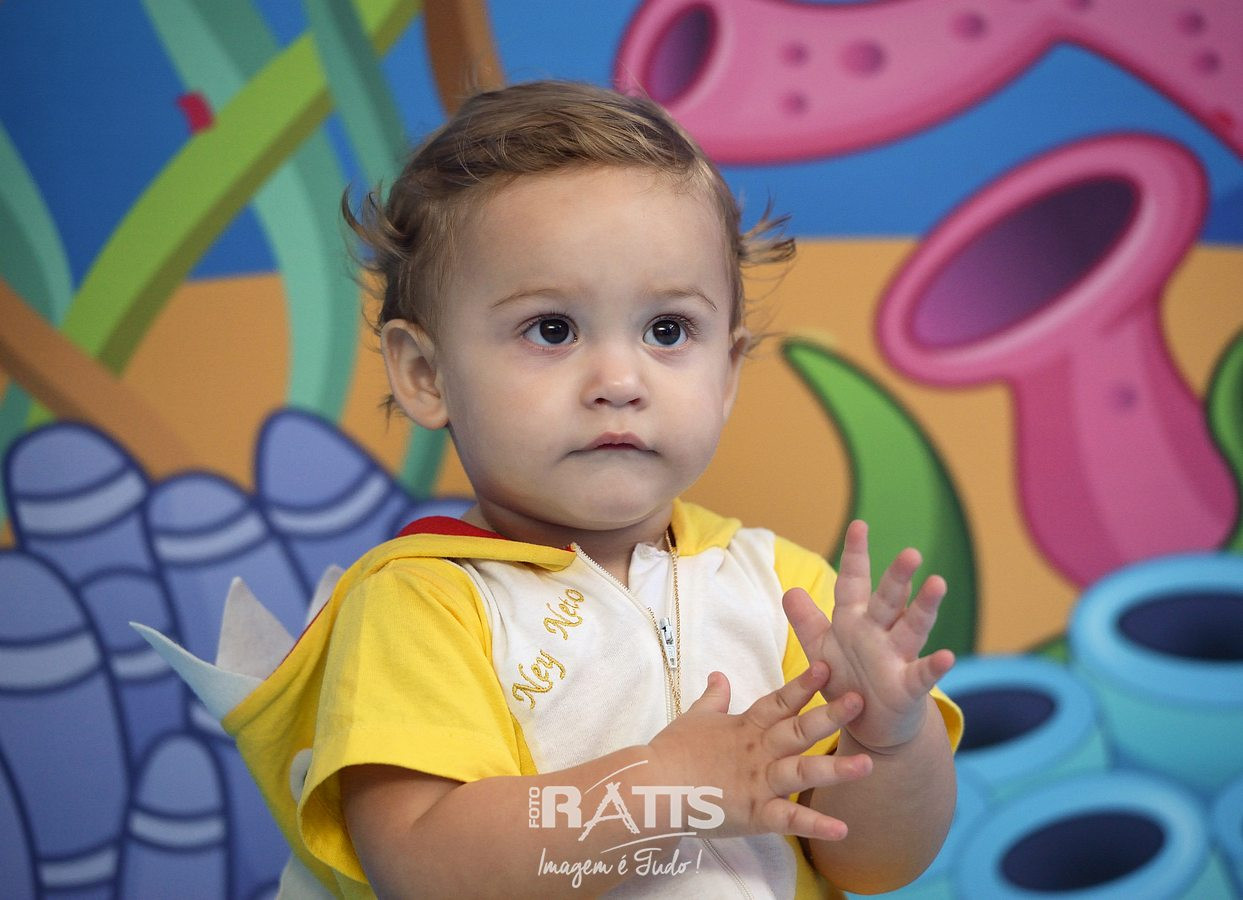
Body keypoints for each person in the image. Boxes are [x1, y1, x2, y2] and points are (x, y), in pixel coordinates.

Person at [223, 80, 962, 899]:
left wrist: (888, 742)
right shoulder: (423, 605)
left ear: (726, 372)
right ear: (427, 374)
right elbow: (423, 868)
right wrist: (661, 790)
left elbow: (871, 863)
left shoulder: (783, 590)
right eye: (552, 329)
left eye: (666, 330)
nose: (618, 380)